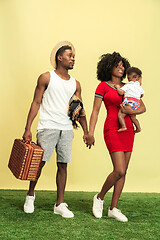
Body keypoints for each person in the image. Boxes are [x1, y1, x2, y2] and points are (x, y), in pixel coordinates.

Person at [22, 41, 88, 218]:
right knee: (39, 164)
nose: (73, 59)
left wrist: (87, 131)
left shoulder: (76, 84)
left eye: (74, 56)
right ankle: (30, 195)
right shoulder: (46, 77)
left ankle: (59, 204)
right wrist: (27, 128)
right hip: (48, 126)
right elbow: (36, 102)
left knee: (63, 165)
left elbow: (78, 109)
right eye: (70, 56)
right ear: (60, 58)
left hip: (66, 129)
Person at [86, 52, 146, 222]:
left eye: (122, 65)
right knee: (118, 169)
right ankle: (99, 197)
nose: (121, 68)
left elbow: (142, 107)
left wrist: (131, 111)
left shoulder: (130, 85)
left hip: (127, 130)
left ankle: (113, 208)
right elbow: (95, 111)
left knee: (124, 171)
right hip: (113, 128)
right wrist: (90, 132)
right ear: (108, 67)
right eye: (117, 65)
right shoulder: (103, 87)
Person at [115, 67, 144, 133]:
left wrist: (117, 87)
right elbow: (141, 95)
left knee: (120, 115)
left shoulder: (128, 85)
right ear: (137, 78)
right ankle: (138, 128)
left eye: (128, 78)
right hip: (136, 104)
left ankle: (123, 126)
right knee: (133, 118)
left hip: (128, 102)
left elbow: (121, 92)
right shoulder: (139, 86)